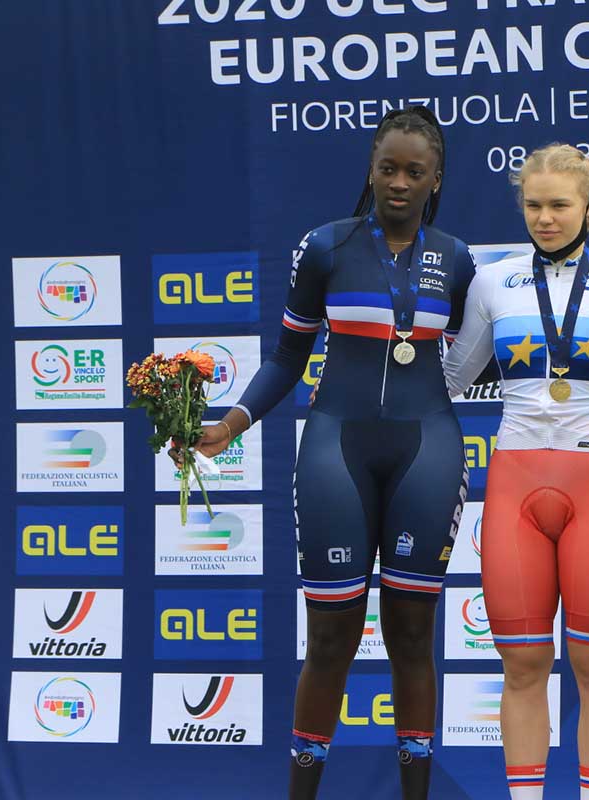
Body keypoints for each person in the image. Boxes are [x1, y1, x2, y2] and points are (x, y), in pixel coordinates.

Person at [170, 106, 473, 800]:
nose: (399, 182)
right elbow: (286, 356)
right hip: (335, 451)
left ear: (435, 180)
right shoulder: (326, 247)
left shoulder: (457, 260)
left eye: (414, 172)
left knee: (411, 638)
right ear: (371, 169)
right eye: (388, 168)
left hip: (428, 453)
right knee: (330, 640)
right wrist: (233, 422)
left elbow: (481, 356)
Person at [443, 144, 589, 799]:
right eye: (533, 204)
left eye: (560, 205)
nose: (546, 218)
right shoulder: (491, 281)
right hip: (515, 484)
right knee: (523, 662)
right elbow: (450, 378)